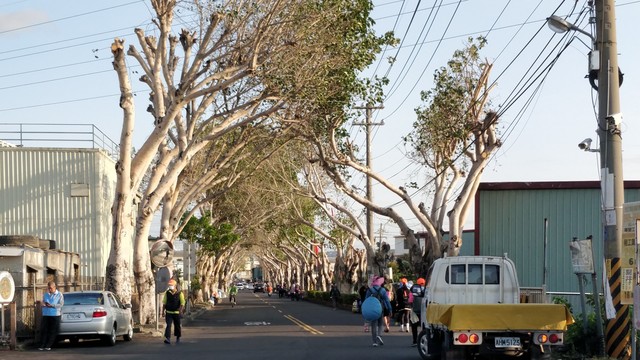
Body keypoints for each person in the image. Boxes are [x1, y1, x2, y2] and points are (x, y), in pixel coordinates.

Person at [365, 275, 392, 347]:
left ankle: (374, 342)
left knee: (373, 324)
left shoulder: (369, 290)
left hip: (372, 309)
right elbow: (387, 301)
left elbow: (366, 301)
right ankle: (379, 335)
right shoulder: (382, 290)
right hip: (380, 308)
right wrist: (390, 309)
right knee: (380, 323)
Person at [39, 281, 64, 351]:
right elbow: (43, 302)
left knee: (52, 331)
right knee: (44, 330)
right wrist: (43, 304)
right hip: (46, 314)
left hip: (55, 315)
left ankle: (48, 345)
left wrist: (52, 305)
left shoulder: (59, 294)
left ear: (54, 287)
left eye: (51, 288)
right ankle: (42, 345)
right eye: (48, 288)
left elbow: (61, 304)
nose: (50, 290)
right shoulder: (46, 294)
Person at [162, 278, 185, 344]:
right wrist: (162, 312)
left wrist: (180, 310)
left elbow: (182, 303)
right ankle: (168, 338)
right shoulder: (167, 293)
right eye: (169, 285)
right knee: (168, 325)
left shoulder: (180, 293)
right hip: (169, 312)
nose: (170, 286)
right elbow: (164, 303)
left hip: (176, 312)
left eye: (171, 285)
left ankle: (178, 337)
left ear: (175, 286)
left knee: (177, 325)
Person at [409, 277, 427, 346]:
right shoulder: (426, 289)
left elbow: (410, 300)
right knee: (424, 326)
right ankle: (424, 340)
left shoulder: (413, 289)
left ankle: (415, 341)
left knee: (414, 326)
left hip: (415, 311)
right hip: (424, 310)